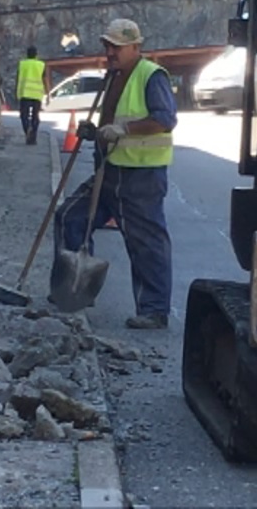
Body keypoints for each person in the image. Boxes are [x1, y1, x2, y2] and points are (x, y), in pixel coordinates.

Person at [52, 18, 178, 330]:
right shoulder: (113, 76)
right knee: (70, 216)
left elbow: (165, 118)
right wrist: (93, 132)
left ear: (136, 46)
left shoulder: (151, 76)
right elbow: (109, 125)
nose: (110, 52)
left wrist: (124, 129)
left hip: (141, 176)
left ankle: (154, 310)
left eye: (117, 47)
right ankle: (75, 291)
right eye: (108, 46)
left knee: (146, 243)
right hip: (109, 171)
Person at [16, 46, 51, 145]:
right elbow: (45, 80)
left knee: (24, 116)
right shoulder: (41, 65)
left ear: (27, 54)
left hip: (25, 94)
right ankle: (33, 136)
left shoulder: (22, 64)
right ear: (36, 55)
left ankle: (27, 130)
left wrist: (17, 93)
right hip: (37, 94)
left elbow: (18, 79)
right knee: (35, 116)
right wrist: (48, 94)